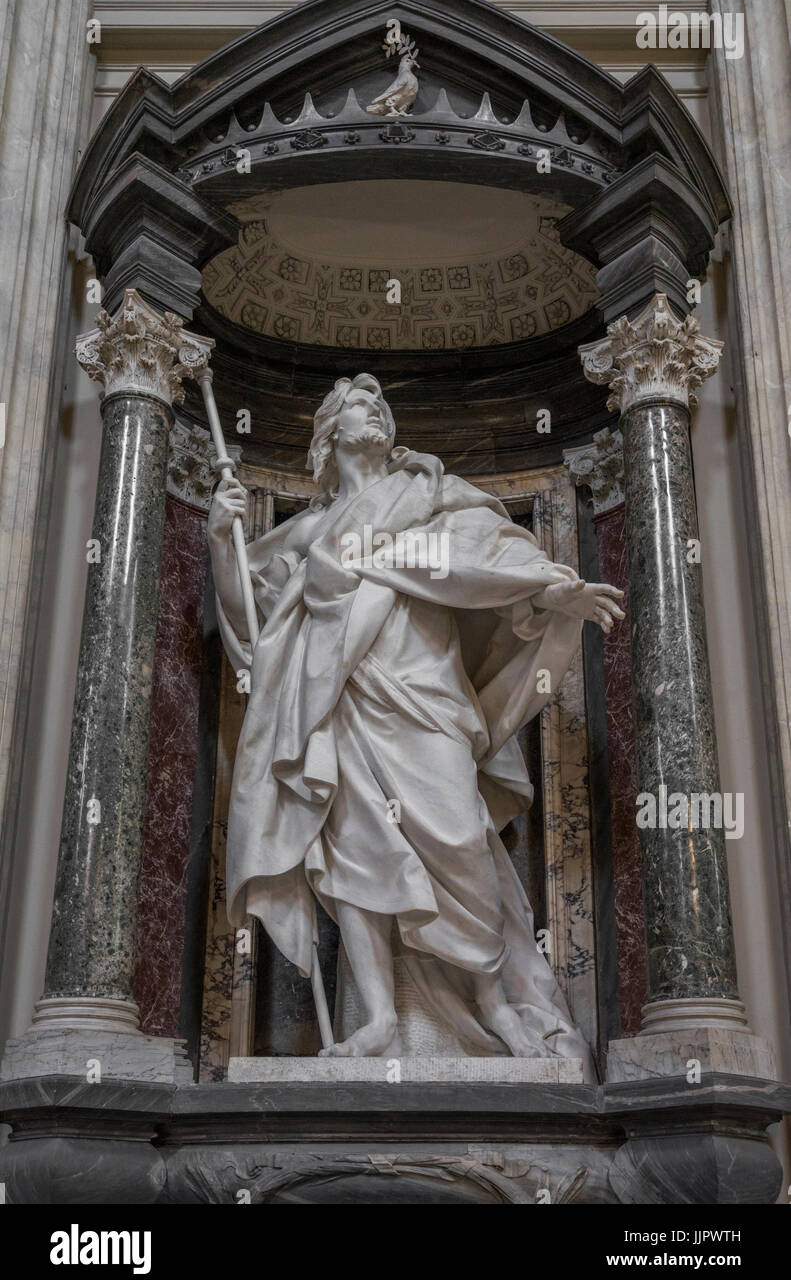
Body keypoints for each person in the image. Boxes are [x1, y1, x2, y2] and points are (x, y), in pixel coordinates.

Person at [208, 374, 624, 1061]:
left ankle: (495, 1001)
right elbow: (253, 629)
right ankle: (376, 1020)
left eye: (380, 405)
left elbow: (491, 553)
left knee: (460, 841)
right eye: (358, 406)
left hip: (425, 699)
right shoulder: (307, 532)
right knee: (358, 860)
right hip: (340, 706)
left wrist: (553, 589)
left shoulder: (430, 495)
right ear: (327, 434)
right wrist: (225, 541)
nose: (374, 413)